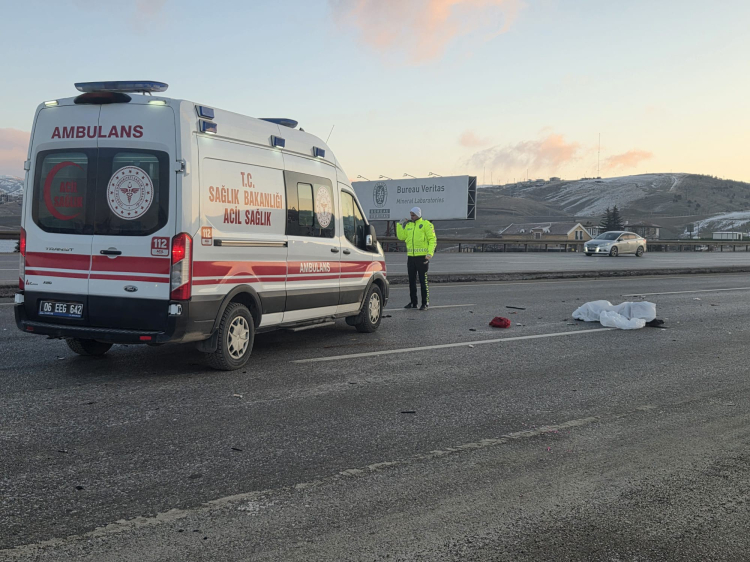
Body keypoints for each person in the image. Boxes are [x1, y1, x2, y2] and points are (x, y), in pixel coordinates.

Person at [395, 207, 436, 310]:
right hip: (411, 257)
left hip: (422, 257)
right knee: (411, 281)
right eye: (411, 215)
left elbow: (432, 240)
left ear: (418, 214)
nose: (411, 217)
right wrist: (399, 225)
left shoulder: (426, 225)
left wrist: (430, 253)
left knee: (423, 281)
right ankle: (413, 302)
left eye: (413, 215)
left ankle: (425, 303)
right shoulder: (409, 225)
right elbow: (401, 237)